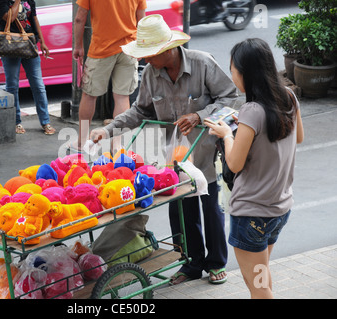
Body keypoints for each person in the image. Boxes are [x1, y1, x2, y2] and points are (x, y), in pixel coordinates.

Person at [90, 14, 238, 285]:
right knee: (182, 211)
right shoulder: (150, 73)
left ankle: (216, 263)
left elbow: (230, 98)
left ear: (166, 50)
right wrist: (108, 130)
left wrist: (199, 115)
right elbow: (140, 110)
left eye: (149, 55)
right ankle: (190, 264)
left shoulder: (202, 63)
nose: (145, 60)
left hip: (206, 152)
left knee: (211, 208)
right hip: (172, 157)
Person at [205, 38, 304, 298]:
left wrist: (228, 134)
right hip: (279, 210)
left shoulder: (251, 110)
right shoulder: (289, 97)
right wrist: (247, 127)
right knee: (262, 278)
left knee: (259, 290)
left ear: (246, 73)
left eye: (233, 69)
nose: (232, 75)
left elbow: (235, 163)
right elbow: (298, 137)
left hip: (252, 214)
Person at [71, 0, 147, 153]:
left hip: (101, 49)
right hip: (129, 48)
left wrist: (78, 45)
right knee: (122, 97)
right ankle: (117, 144)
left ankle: (82, 142)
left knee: (89, 95)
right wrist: (141, 46)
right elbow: (142, 19)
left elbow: (80, 18)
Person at [0, 0, 56, 135]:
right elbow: (11, 18)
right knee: (12, 85)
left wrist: (43, 42)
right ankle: (16, 122)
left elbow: (34, 18)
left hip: (29, 43)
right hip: (10, 45)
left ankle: (45, 122)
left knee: (38, 84)